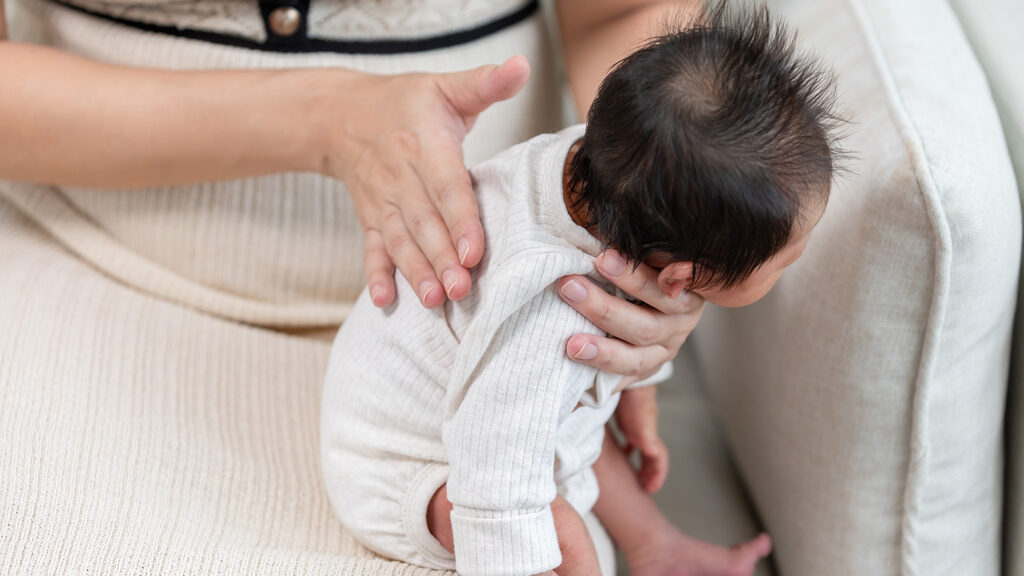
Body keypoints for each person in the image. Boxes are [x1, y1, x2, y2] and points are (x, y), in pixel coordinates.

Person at [0, 0, 710, 572]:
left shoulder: (544, 290)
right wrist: (326, 117)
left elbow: (625, 12)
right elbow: (507, 485)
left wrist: (647, 216)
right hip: (98, 260)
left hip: (476, 304)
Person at [321, 5, 843, 575]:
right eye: (782, 262)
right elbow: (495, 469)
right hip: (398, 467)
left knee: (572, 426)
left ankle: (655, 546)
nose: (796, 261)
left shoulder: (604, 167)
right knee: (556, 526)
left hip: (472, 397)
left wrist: (636, 378)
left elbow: (544, 396)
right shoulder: (554, 307)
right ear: (680, 279)